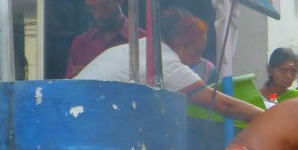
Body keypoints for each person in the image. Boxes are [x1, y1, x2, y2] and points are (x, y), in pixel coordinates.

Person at [75, 13, 263, 123]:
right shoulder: (166, 63)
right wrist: (273, 118)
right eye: (197, 51)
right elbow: (225, 106)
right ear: (179, 44)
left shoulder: (144, 47)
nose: (199, 60)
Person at [65, 0, 141, 79]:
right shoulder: (80, 44)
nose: (98, 14)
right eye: (91, 8)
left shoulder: (143, 41)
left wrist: (93, 75)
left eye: (103, 6)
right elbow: (70, 90)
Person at [161, 7, 217, 84]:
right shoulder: (153, 70)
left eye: (201, 52)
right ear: (177, 46)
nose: (199, 60)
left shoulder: (207, 71)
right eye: (197, 52)